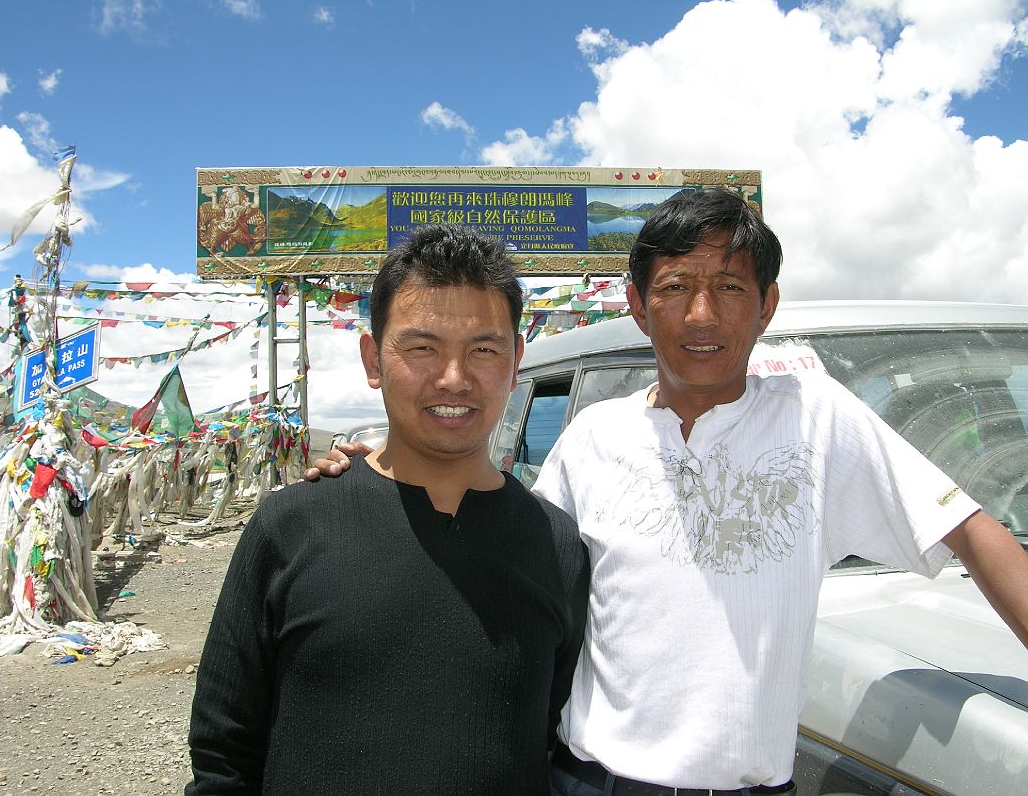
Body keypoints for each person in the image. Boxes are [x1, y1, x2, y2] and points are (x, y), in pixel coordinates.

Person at [308, 189, 1028, 796]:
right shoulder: (596, 436)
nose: (702, 315)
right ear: (639, 305)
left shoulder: (820, 419)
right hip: (589, 779)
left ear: (767, 304)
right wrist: (384, 472)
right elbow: (506, 548)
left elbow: (970, 529)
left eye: (730, 288)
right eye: (676, 288)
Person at [188, 224, 589, 795]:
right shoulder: (292, 526)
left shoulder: (557, 546)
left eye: (484, 349)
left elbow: (552, 733)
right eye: (422, 348)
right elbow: (223, 752)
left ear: (516, 359)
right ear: (373, 358)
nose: (454, 379)